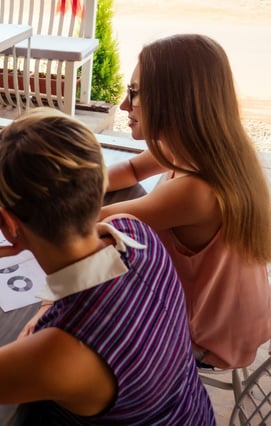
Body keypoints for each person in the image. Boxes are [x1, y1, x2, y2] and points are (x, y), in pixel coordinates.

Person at [0, 107, 215, 424]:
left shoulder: (61, 356)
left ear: (9, 223)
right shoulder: (132, 231)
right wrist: (44, 315)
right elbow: (84, 286)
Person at [99, 34, 271, 370]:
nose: (123, 105)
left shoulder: (195, 191)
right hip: (240, 314)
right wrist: (81, 182)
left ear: (172, 102)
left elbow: (97, 222)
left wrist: (42, 193)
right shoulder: (207, 146)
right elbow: (133, 169)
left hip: (207, 336)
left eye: (134, 93)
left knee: (90, 325)